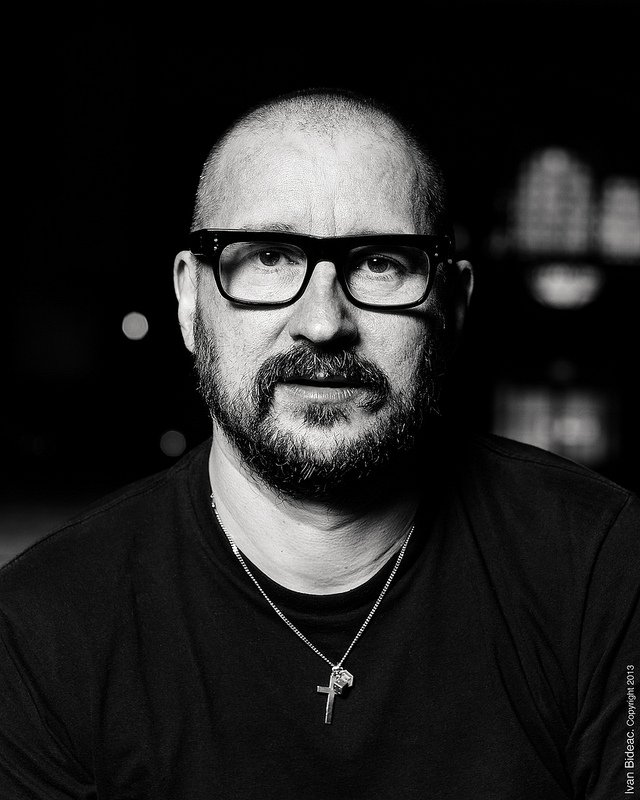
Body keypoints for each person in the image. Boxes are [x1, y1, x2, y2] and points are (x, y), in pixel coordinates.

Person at [0, 88, 638, 800]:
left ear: (454, 305)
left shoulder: (601, 564)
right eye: (270, 256)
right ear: (189, 300)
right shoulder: (40, 628)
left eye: (381, 263)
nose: (324, 323)